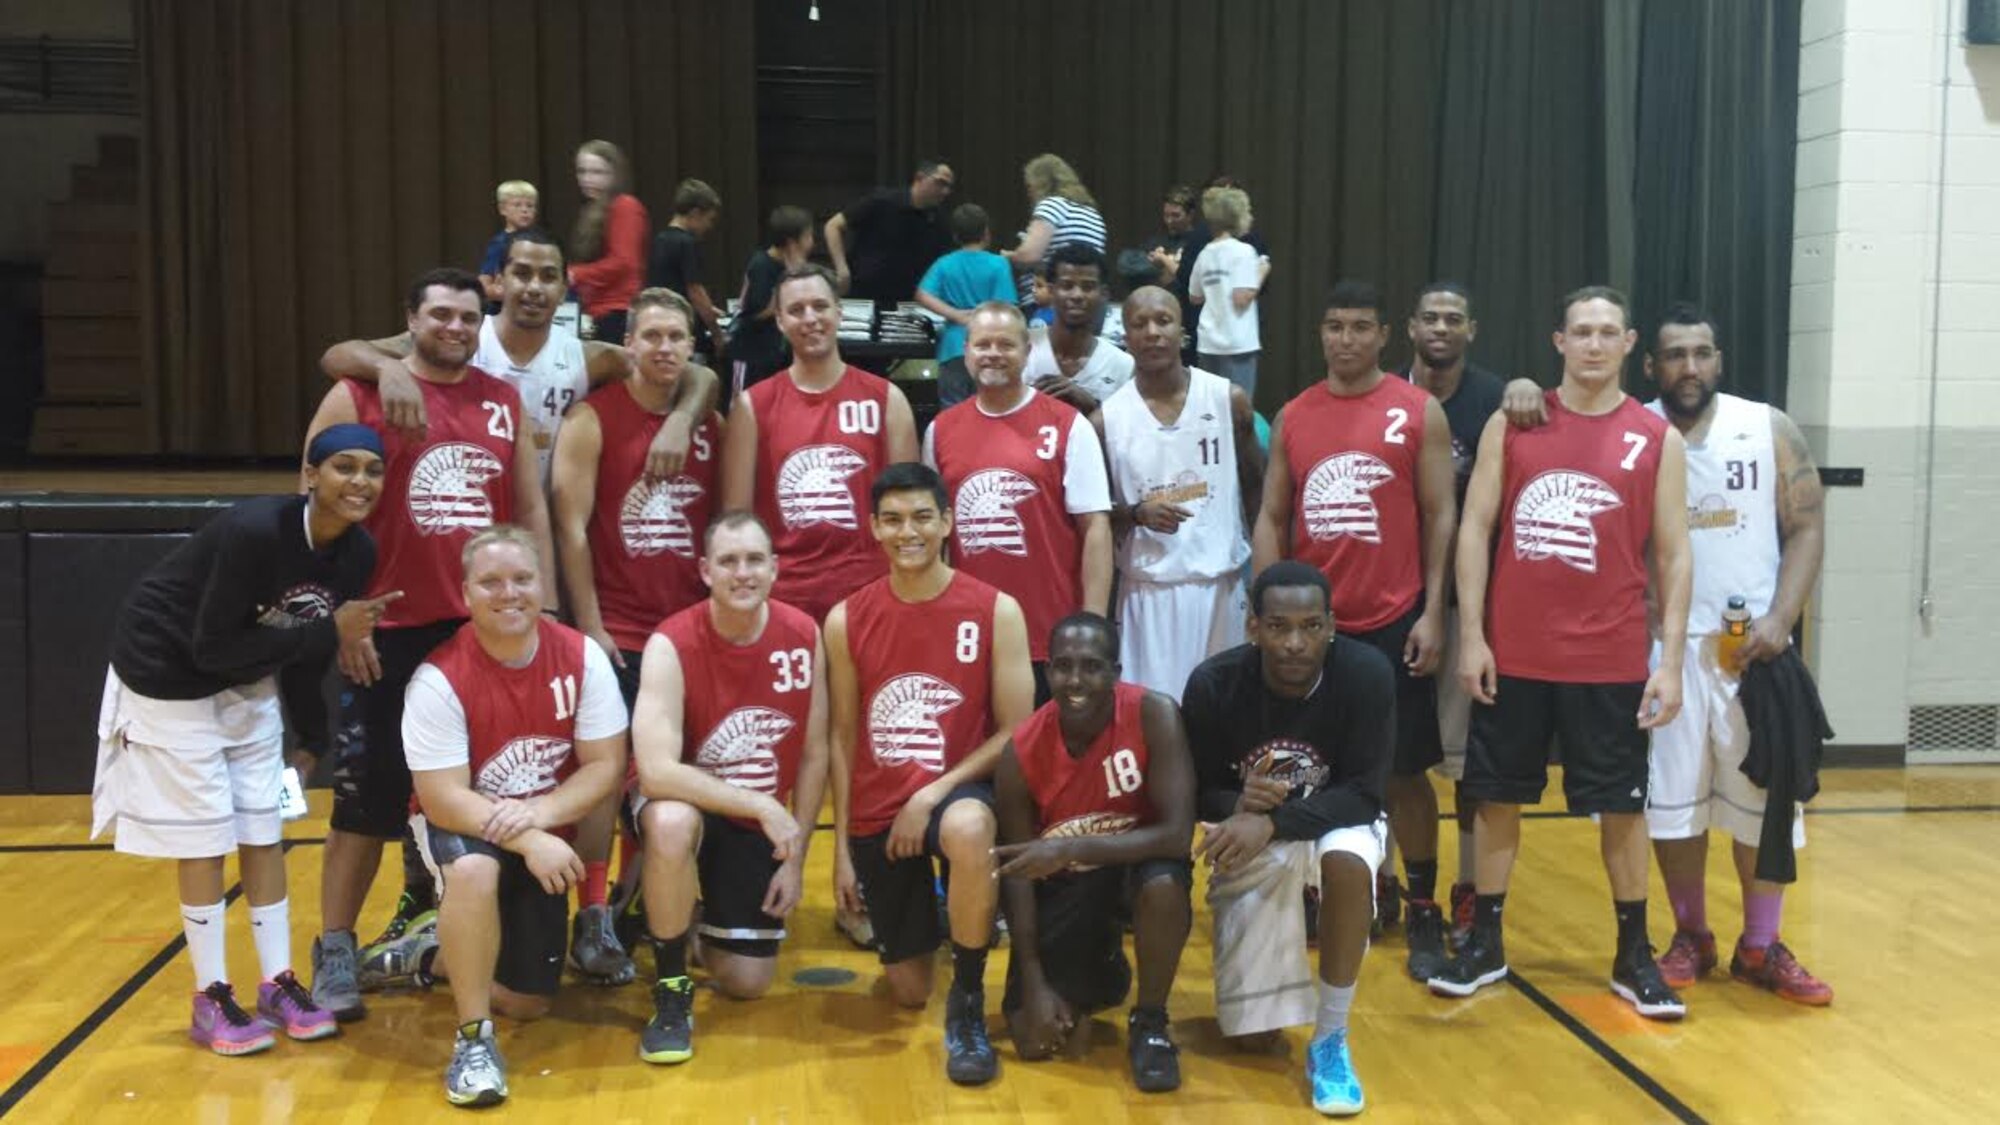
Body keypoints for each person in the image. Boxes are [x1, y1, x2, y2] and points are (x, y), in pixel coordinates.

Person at [1504, 304, 1834, 1004]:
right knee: (1671, 808)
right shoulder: (1634, 426)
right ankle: (1692, 933)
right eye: (1675, 354)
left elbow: (1806, 526)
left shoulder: (1766, 426)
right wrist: (1524, 388)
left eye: (1703, 353)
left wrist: (1783, 617)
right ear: (1649, 363)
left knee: (1760, 803)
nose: (1690, 367)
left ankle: (1762, 941)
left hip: (1752, 650)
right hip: (1658, 651)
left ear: (1719, 360)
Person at [1428, 286, 1693, 1021]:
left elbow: (1673, 555)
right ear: (1559, 341)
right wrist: (1473, 634)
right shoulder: (1515, 423)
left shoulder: (1655, 437)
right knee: (1496, 796)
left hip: (1610, 661)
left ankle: (1633, 952)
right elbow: (1475, 529)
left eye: (1609, 332)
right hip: (1515, 654)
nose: (1595, 344)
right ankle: (1486, 942)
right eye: (1582, 331)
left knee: (1622, 807)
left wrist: (1668, 661)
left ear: (1629, 342)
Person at [301, 267, 557, 1022]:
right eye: (440, 314)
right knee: (367, 798)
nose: (455, 327)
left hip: (479, 631)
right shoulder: (360, 394)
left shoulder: (503, 402)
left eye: (468, 317)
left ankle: (460, 929)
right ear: (408, 318)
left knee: (485, 790)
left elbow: (530, 507)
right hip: (387, 631)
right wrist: (343, 613)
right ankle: (338, 946)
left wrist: (544, 609)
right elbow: (312, 511)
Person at [90, 426, 395, 1055]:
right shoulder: (254, 532)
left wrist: (309, 735)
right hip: (169, 672)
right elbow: (214, 644)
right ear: (310, 476)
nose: (359, 481)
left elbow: (307, 643)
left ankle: (278, 981)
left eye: (372, 469)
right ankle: (212, 994)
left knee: (262, 829)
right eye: (343, 467)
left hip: (248, 673)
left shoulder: (358, 553)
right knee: (206, 836)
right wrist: (330, 632)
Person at [1253, 280, 1456, 980]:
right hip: (1312, 632)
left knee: (1403, 771)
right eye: (1334, 326)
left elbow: (1440, 515)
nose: (1346, 338)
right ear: (1321, 334)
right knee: (1314, 769)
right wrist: (1268, 613)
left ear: (1383, 334)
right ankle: (1336, 890)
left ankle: (1425, 901)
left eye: (1360, 327)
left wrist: (1433, 610)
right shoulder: (1294, 415)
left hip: (1394, 618)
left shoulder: (1416, 412)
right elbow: (1272, 515)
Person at [824, 462, 1035, 1086]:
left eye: (921, 517)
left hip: (956, 791)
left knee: (969, 828)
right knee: (909, 991)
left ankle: (967, 999)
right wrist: (840, 850)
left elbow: (1015, 733)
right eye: (892, 520)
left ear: (947, 522)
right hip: (876, 809)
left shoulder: (996, 610)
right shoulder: (845, 619)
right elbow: (841, 737)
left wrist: (933, 793)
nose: (906, 532)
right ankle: (952, 916)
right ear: (873, 528)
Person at [403, 526, 628, 1107]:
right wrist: (532, 837)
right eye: (492, 582)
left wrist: (540, 815)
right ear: (466, 593)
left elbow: (606, 766)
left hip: (536, 823)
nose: (510, 593)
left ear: (542, 585)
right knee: (476, 874)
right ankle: (474, 1041)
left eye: (523, 579)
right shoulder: (439, 678)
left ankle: (430, 952)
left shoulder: (582, 658)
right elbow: (442, 798)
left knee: (532, 1002)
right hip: (462, 824)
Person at [550, 288, 723, 965]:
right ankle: (592, 910)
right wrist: (588, 626)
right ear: (629, 345)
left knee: (675, 774)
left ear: (689, 345)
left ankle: (643, 897)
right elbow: (569, 528)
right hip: (616, 626)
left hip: (686, 631)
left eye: (675, 337)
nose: (663, 348)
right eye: (649, 336)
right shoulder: (594, 418)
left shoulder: (710, 419)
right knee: (606, 772)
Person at [1186, 562, 1394, 1117]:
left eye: (1310, 626)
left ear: (1332, 626)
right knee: (1254, 1038)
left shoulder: (1367, 675)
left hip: (1333, 818)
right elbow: (1198, 787)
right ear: (1253, 627)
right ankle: (1266, 1002)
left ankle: (1330, 1038)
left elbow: (1365, 794)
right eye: (1278, 626)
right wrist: (1236, 805)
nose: (1295, 643)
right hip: (1255, 828)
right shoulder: (1212, 684)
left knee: (1348, 860)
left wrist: (1273, 822)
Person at [627, 511, 830, 1063]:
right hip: (685, 803)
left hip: (748, 821)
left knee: (747, 981)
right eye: (728, 561)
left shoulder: (803, 634)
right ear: (705, 571)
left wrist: (794, 859)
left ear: (775, 568)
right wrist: (762, 803)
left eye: (755, 560)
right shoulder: (671, 642)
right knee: (671, 823)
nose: (743, 573)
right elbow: (656, 771)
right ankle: (671, 990)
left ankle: (671, 913)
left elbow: (815, 754)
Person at [321, 229, 719, 490]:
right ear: (498, 281)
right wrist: (385, 366)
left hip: (542, 517)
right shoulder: (463, 337)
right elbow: (337, 355)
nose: (534, 287)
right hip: (469, 506)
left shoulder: (588, 356)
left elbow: (700, 377)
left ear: (565, 287)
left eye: (548, 276)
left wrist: (681, 421)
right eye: (522, 273)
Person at [992, 612, 1195, 1093]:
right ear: (1047, 673)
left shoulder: (1154, 714)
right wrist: (1034, 980)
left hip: (1139, 869)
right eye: (1062, 666)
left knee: (1165, 885)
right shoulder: (1019, 753)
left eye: (1092, 666)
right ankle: (1100, 971)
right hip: (1073, 888)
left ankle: (1150, 1023)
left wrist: (1071, 847)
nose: (1076, 680)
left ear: (1116, 673)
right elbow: (1017, 874)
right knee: (1032, 1039)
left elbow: (1176, 836)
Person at [923, 302, 1112, 701]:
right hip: (969, 632)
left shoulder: (1068, 424)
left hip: (1051, 635)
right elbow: (935, 537)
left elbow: (1095, 528)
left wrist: (1093, 624)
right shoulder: (940, 431)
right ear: (967, 352)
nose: (993, 353)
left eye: (1005, 344)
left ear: (1027, 351)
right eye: (983, 344)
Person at [1400, 281, 1508, 947]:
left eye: (1453, 319)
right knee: (1395, 763)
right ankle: (1394, 883)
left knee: (1470, 766)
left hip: (1473, 607)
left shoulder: (1499, 400)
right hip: (1400, 605)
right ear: (1409, 327)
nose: (1441, 327)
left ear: (1471, 328)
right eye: (1430, 316)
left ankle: (1469, 886)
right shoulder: (1384, 398)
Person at [720, 264, 920, 622]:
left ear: (839, 312)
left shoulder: (887, 400)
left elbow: (909, 511)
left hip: (870, 594)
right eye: (796, 310)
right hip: (784, 601)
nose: (810, 318)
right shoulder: (753, 406)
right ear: (780, 321)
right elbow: (738, 521)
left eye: (820, 306)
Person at [1099, 287, 1261, 701]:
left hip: (1221, 586)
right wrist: (1136, 513)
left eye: (1163, 321)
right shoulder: (1106, 419)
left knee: (1224, 716)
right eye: (1140, 323)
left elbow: (1256, 491)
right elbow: (1095, 518)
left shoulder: (1229, 400)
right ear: (1126, 336)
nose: (1153, 332)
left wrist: (1262, 577)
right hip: (1147, 594)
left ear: (1182, 331)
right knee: (1155, 718)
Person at [915, 203, 1017, 408]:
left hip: (953, 347)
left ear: (955, 236)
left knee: (953, 412)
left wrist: (955, 315)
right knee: (990, 408)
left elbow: (922, 294)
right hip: (990, 348)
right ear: (986, 232)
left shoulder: (944, 263)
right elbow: (1006, 307)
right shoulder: (998, 264)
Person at [1021, 244, 1134, 415]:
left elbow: (1126, 433)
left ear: (1103, 294)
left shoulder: (1122, 365)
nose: (1077, 295)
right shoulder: (1021, 350)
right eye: (1067, 286)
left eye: (1087, 287)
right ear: (1051, 291)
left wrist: (1092, 406)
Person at [824, 158, 956, 303]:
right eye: (940, 183)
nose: (945, 191)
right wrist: (842, 269)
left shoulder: (940, 220)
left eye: (949, 186)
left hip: (907, 302)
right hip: (863, 295)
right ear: (920, 178)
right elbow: (833, 226)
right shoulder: (882, 201)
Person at [1186, 186, 1267, 399]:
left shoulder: (1205, 253)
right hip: (1237, 344)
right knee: (1239, 411)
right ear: (1237, 217)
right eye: (1248, 212)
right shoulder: (1244, 252)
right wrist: (1261, 272)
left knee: (1210, 409)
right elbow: (1241, 299)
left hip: (1208, 343)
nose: (1251, 217)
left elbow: (1194, 297)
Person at [727, 205, 817, 396]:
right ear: (792, 242)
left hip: (773, 353)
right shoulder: (761, 265)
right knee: (742, 407)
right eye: (808, 236)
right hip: (750, 354)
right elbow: (757, 311)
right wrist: (789, 279)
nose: (812, 243)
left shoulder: (787, 266)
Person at [569, 140, 650, 345]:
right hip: (598, 312)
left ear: (614, 174)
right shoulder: (594, 210)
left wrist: (574, 274)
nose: (587, 179)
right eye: (582, 171)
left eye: (597, 172)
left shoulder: (625, 206)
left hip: (617, 312)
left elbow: (624, 262)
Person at [1006, 154, 1108, 311]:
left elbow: (1029, 256)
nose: (1028, 193)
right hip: (1087, 302)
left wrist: (1009, 257)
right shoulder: (1093, 213)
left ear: (1041, 183)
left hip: (1047, 303)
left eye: (1029, 186)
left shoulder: (1052, 205)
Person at [646, 178, 727, 361]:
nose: (709, 226)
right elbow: (695, 291)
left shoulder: (659, 240)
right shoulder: (687, 244)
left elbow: (671, 285)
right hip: (685, 329)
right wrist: (716, 332)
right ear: (695, 213)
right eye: (709, 219)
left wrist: (708, 308)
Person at [478, 181, 539, 306]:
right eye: (517, 205)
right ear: (503, 209)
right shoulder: (499, 243)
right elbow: (484, 284)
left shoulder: (540, 242)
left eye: (530, 206)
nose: (524, 210)